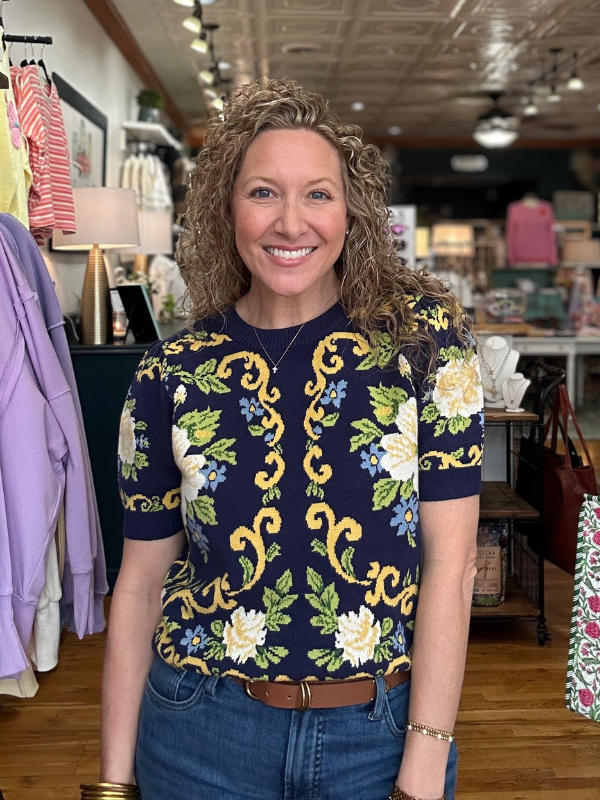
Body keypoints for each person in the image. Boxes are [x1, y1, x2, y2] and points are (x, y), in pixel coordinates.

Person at [91, 79, 483, 800]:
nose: (291, 223)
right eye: (264, 192)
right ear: (226, 209)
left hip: (382, 734)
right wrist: (112, 786)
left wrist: (424, 762)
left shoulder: (425, 345)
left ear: (352, 213)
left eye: (319, 195)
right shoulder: (171, 374)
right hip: (199, 734)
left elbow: (453, 568)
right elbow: (141, 585)